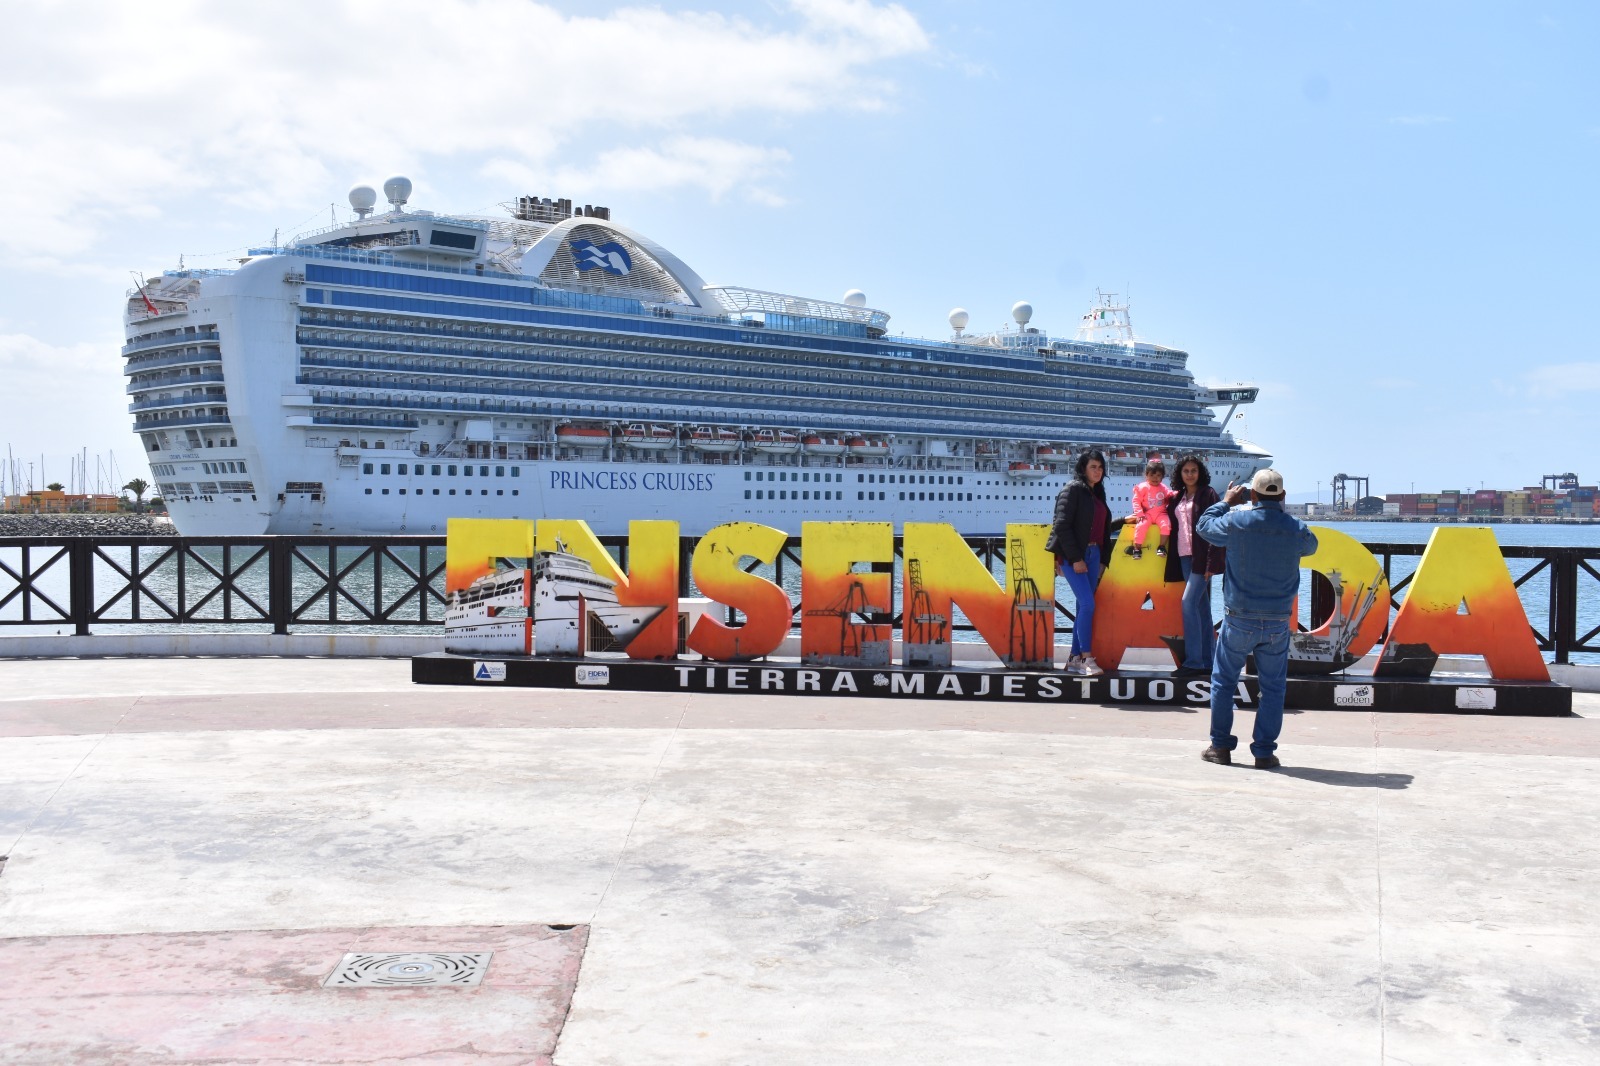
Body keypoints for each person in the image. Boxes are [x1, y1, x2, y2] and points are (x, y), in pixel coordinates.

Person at [1195, 468, 1318, 769]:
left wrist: (1226, 501)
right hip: (1277, 622)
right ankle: (1263, 752)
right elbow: (1311, 546)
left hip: (1239, 618)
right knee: (1273, 688)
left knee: (1224, 682)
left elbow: (1203, 526)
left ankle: (1220, 747)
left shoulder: (1237, 522)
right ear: (1283, 495)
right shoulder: (1296, 528)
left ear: (1253, 495)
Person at [1046, 449, 1113, 676]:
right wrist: (1075, 558)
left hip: (1094, 555)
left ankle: (1074, 658)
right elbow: (1061, 525)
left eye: (1100, 467)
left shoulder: (1097, 493)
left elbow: (1102, 528)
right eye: (1093, 466)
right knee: (1087, 604)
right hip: (1075, 555)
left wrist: (1103, 559)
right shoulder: (1072, 489)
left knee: (1081, 606)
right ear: (1083, 468)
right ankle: (1086, 658)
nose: (1098, 471)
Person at [1163, 455, 1223, 678]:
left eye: (1193, 470)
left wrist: (1211, 562)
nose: (1190, 474)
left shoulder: (1208, 494)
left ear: (1200, 473)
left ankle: (1194, 662)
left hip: (1201, 558)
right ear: (1180, 473)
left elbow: (1217, 528)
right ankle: (1209, 661)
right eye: (1186, 471)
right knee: (1201, 609)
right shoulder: (1178, 497)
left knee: (1188, 604)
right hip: (1183, 556)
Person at [1124, 459, 1174, 559]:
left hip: (1161, 513)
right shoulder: (1143, 487)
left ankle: (1161, 547)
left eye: (1158, 475)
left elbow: (1169, 494)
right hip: (1147, 514)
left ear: (1162, 477)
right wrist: (1139, 513)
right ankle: (1137, 548)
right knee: (1141, 526)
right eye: (1152, 475)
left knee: (1166, 525)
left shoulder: (1163, 487)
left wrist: (1176, 493)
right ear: (1146, 475)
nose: (1155, 478)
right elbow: (1136, 501)